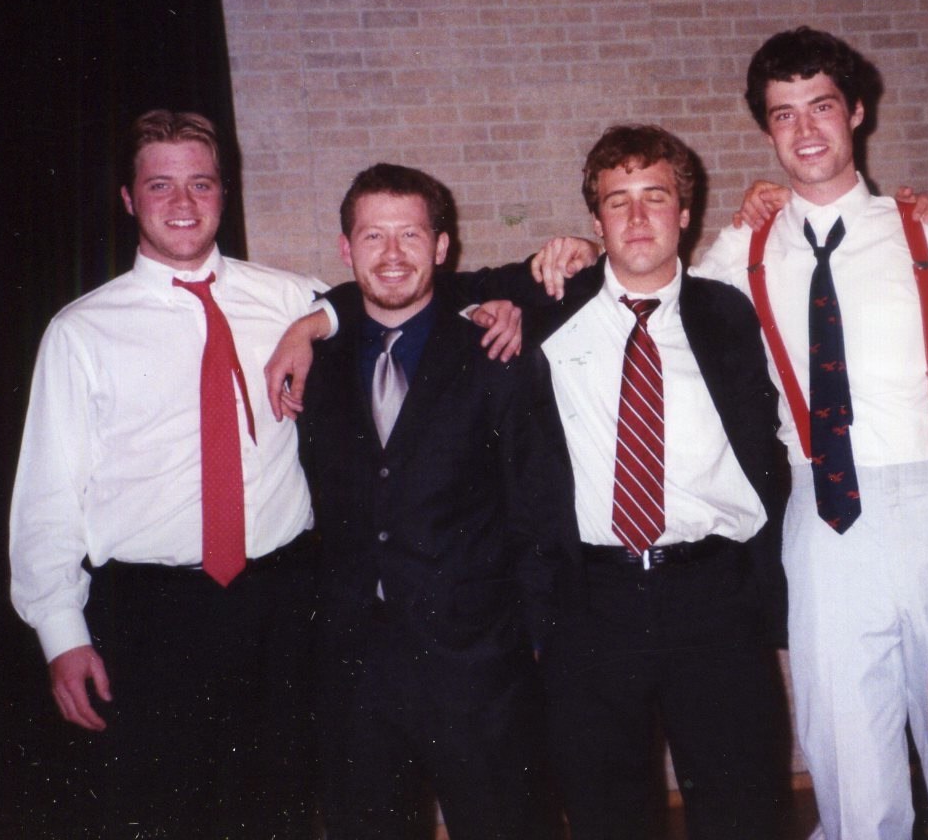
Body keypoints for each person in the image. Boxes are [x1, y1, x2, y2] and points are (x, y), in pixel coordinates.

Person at [526, 31, 928, 840]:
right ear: (766, 132)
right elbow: (645, 276)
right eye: (784, 115)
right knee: (845, 752)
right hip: (818, 511)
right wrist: (571, 253)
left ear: (857, 112)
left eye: (821, 106)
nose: (806, 130)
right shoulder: (739, 251)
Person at [277, 127, 793, 838]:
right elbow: (411, 284)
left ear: (685, 212)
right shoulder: (552, 305)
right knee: (607, 815)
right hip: (593, 601)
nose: (637, 218)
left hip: (714, 598)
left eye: (655, 198)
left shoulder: (730, 313)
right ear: (594, 223)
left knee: (745, 810)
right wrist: (318, 318)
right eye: (618, 203)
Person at [8, 109, 324, 839]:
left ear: (224, 192)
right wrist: (61, 633)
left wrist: (322, 324)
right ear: (127, 198)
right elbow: (49, 495)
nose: (183, 205)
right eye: (160, 185)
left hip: (281, 602)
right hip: (152, 617)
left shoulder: (287, 299)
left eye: (201, 184)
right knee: (162, 816)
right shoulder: (81, 331)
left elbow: (398, 305)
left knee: (279, 810)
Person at [295, 163, 555, 840]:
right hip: (356, 672)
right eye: (372, 236)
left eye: (410, 235)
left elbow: (536, 507)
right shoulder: (312, 361)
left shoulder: (496, 351)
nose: (391, 254)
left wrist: (530, 646)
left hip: (478, 667)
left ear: (442, 247)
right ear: (345, 250)